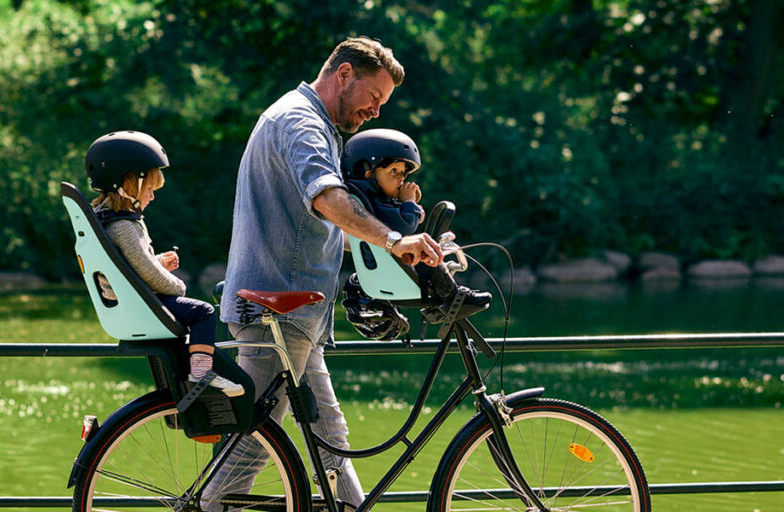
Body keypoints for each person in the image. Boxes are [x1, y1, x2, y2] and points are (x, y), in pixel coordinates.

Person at [216, 37, 444, 510]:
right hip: (276, 310)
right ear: (343, 75)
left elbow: (323, 227)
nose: (375, 111)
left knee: (331, 442)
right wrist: (393, 239)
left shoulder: (308, 121)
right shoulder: (300, 122)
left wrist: (397, 245)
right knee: (249, 449)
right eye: (374, 97)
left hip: (295, 314)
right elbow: (327, 199)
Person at [85, 130, 243, 397]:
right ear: (129, 185)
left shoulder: (108, 220)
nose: (152, 197)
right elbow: (148, 273)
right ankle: (201, 373)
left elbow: (131, 266)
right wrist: (177, 285)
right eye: (149, 189)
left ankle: (193, 370)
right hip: (142, 305)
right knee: (203, 312)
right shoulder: (124, 227)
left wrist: (157, 261)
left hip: (131, 302)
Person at [341, 128, 494, 305]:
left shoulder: (367, 201)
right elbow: (406, 226)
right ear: (369, 174)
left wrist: (409, 205)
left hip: (383, 267)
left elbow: (400, 219)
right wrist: (409, 202)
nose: (401, 179)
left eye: (403, 173)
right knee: (428, 253)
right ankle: (453, 296)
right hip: (393, 270)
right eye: (393, 171)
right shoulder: (373, 205)